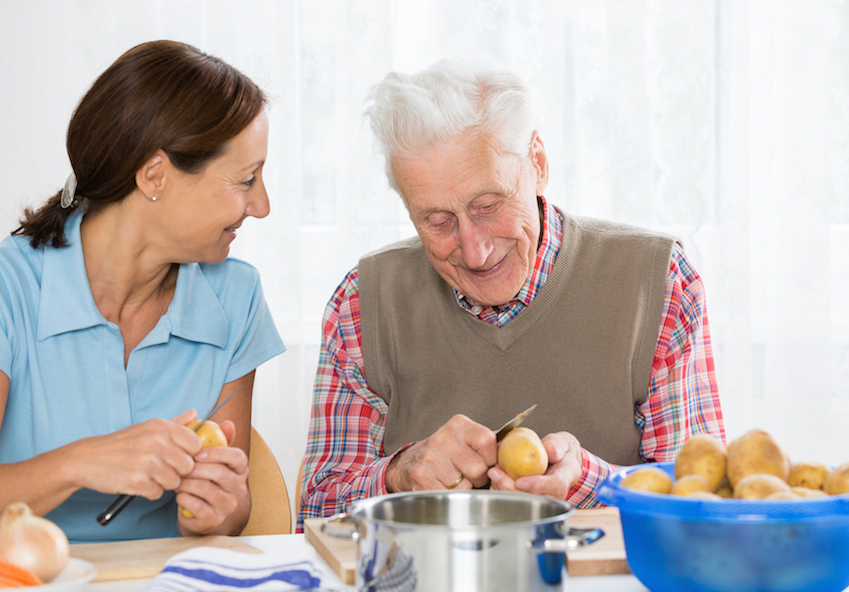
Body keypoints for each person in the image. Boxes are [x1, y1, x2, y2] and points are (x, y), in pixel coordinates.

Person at [298, 56, 724, 527]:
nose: (475, 251)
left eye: (488, 205)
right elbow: (315, 514)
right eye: (437, 221)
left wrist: (589, 483)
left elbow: (701, 507)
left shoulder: (659, 282)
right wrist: (398, 475)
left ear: (537, 163)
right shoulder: (361, 304)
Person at [0, 40, 286, 542]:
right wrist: (81, 463)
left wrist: (220, 506)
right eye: (246, 179)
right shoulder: (11, 286)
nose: (261, 205)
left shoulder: (236, 297)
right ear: (156, 175)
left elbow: (228, 514)